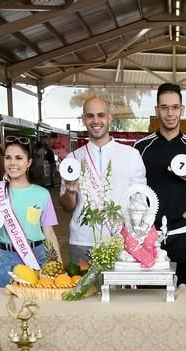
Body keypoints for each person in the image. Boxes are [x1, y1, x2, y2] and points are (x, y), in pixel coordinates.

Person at [134, 82, 186, 287]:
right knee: (149, 300)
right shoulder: (140, 148)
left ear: (182, 110)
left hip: (182, 236)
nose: (170, 113)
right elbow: (133, 196)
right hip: (148, 237)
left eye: (175, 107)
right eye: (164, 107)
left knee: (184, 300)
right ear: (157, 111)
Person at [60, 95, 146, 264]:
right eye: (90, 116)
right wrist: (70, 193)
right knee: (83, 290)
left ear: (109, 117)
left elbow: (140, 202)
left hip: (119, 242)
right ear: (84, 119)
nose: (96, 120)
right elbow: (66, 207)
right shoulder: (74, 157)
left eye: (101, 115)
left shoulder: (131, 155)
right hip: (82, 242)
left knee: (116, 291)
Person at [0, 139, 62, 284]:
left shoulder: (42, 194)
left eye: (19, 158)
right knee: (7, 303)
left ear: (29, 162)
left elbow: (49, 232)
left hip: (37, 256)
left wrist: (58, 264)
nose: (12, 163)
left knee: (39, 302)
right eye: (8, 158)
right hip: (5, 258)